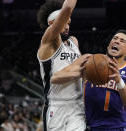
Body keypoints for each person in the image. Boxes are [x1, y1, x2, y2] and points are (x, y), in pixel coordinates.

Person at [37, 0, 90, 130]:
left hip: (77, 105)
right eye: (64, 22)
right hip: (56, 105)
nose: (67, 26)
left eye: (69, 23)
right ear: (51, 24)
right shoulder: (47, 42)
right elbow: (67, 8)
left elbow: (80, 69)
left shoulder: (73, 42)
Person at [84, 30, 126, 131]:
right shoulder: (91, 63)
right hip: (92, 127)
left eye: (122, 41)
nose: (117, 41)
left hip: (119, 127)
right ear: (108, 46)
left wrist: (119, 81)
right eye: (115, 38)